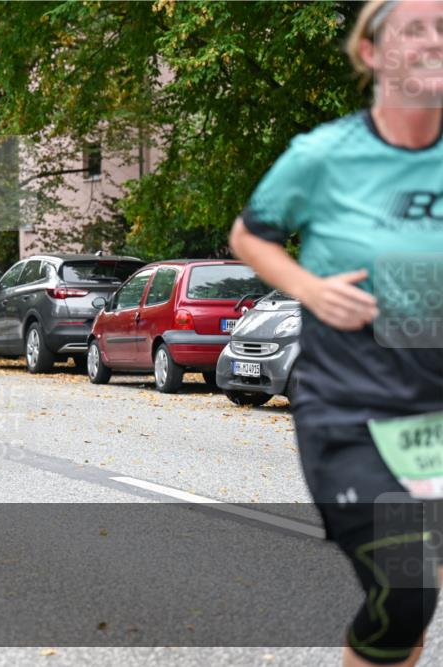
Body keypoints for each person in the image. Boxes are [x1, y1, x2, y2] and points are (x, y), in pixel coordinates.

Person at [229, 2, 443, 665]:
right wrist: (311, 289)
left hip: (433, 420)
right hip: (351, 415)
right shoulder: (324, 156)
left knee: (407, 611)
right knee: (406, 588)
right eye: (415, 28)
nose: (434, 41)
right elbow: (249, 236)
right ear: (372, 53)